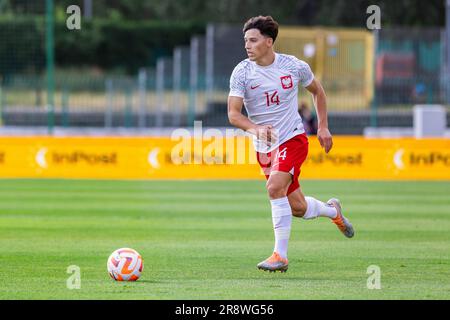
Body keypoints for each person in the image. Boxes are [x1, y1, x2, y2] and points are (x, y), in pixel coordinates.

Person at [227, 16, 354, 273]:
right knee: (297, 207)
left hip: (292, 138)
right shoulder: (242, 72)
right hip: (263, 147)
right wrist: (255, 128)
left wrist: (322, 126)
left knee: (274, 188)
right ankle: (333, 212)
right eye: (245, 41)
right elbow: (233, 114)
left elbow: (317, 91)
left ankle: (280, 256)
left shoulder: (294, 66)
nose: (247, 46)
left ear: (269, 41)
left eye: (253, 40)